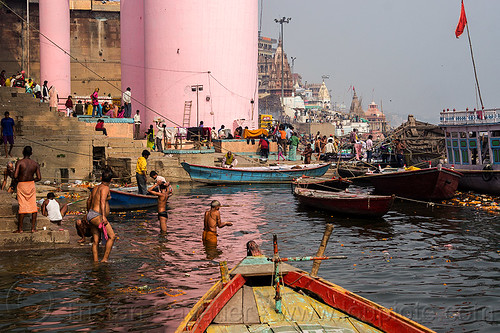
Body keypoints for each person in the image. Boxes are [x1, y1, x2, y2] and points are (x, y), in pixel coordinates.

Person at [86, 169, 116, 263]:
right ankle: (104, 260)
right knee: (112, 236)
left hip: (91, 214)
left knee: (96, 240)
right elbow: (102, 201)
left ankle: (95, 261)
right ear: (111, 180)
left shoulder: (95, 188)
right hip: (98, 215)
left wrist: (88, 214)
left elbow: (89, 200)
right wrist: (103, 216)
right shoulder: (105, 188)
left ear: (101, 178)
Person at [14, 146, 41, 233]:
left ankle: (20, 229)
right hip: (31, 184)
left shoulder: (20, 162)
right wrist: (32, 180)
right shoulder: (35, 164)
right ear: (31, 153)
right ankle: (33, 228)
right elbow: (39, 177)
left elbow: (15, 176)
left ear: (22, 152)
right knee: (33, 206)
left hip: (21, 184)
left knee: (22, 206)